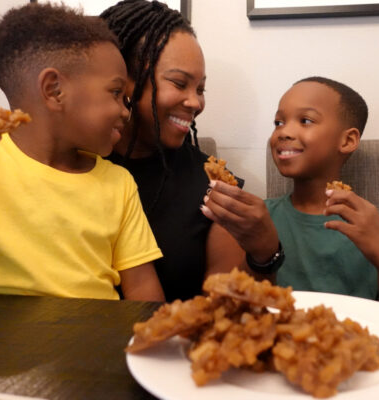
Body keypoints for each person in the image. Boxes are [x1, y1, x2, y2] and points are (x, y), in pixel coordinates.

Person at [0, 3, 164, 301]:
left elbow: (144, 293)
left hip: (98, 342)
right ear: (54, 90)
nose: (125, 111)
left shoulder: (119, 184)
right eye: (116, 93)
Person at [100, 0, 281, 302]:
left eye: (200, 89)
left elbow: (227, 313)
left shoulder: (214, 188)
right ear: (123, 80)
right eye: (179, 83)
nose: (195, 103)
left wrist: (265, 252)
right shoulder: (67, 163)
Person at [265, 77, 379, 311]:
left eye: (305, 120)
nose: (284, 132)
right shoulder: (259, 219)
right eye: (278, 122)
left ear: (347, 140)